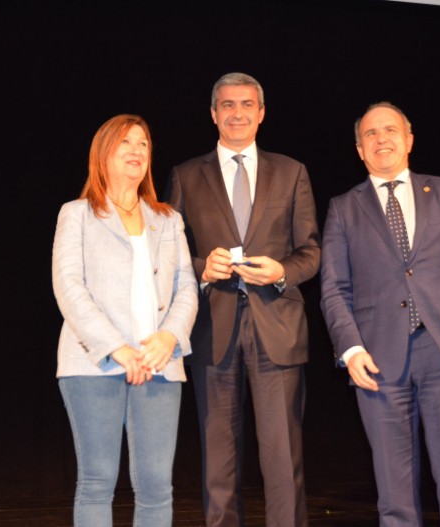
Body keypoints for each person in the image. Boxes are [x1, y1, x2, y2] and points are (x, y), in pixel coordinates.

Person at [319, 101, 440, 527]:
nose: (381, 139)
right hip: (377, 362)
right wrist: (351, 349)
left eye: (390, 130)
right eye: (370, 134)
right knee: (394, 498)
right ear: (359, 149)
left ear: (409, 140)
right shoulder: (343, 208)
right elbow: (334, 288)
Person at [165, 72, 320, 527]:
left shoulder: (291, 172)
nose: (237, 113)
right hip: (213, 330)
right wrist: (200, 270)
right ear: (213, 114)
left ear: (262, 113)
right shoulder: (185, 175)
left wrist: (282, 272)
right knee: (218, 463)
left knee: (282, 459)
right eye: (227, 105)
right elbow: (169, 254)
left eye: (247, 104)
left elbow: (310, 251)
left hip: (278, 328)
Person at [51, 114, 198, 527]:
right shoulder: (76, 214)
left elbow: (186, 286)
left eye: (144, 144)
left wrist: (168, 338)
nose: (137, 151)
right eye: (126, 143)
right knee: (98, 481)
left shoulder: (167, 218)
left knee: (156, 486)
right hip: (94, 363)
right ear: (103, 153)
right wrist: (117, 347)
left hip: (159, 364)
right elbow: (68, 287)